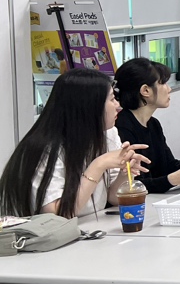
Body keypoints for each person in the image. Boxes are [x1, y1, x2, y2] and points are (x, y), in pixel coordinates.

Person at [0, 68, 149, 219]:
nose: (118, 105)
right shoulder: (45, 148)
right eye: (111, 99)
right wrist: (99, 165)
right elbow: (59, 214)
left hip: (88, 229)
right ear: (89, 107)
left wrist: (125, 173)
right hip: (45, 238)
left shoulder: (107, 134)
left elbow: (114, 198)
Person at [114, 58, 180, 193]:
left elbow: (169, 167)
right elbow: (133, 184)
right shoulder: (122, 128)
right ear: (145, 90)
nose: (169, 89)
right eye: (163, 83)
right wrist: (171, 180)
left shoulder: (153, 124)